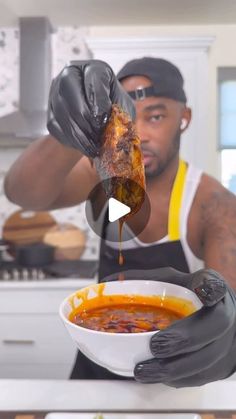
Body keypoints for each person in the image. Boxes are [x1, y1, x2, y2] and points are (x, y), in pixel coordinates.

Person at [4, 57, 236, 387]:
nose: (139, 133)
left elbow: (227, 308)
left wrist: (227, 342)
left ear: (184, 118)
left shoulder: (213, 204)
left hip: (174, 374)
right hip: (95, 362)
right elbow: (23, 193)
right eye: (128, 117)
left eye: (155, 116)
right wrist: (69, 133)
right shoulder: (100, 176)